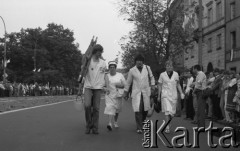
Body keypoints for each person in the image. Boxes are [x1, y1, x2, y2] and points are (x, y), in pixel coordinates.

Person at [123, 54, 155, 134]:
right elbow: (128, 82)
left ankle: (143, 123)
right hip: (136, 92)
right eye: (138, 61)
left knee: (145, 110)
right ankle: (139, 127)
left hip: (145, 91)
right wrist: (125, 92)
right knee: (138, 110)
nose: (139, 62)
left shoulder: (147, 68)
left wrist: (153, 86)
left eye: (141, 61)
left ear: (143, 62)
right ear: (135, 62)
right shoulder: (132, 70)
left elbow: (151, 77)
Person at [79, 44, 107, 135]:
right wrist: (84, 66)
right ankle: (88, 125)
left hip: (98, 88)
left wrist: (106, 86)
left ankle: (95, 127)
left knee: (96, 108)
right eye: (99, 52)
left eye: (101, 52)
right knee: (87, 105)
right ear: (95, 52)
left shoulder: (103, 63)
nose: (100, 54)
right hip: (88, 86)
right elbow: (83, 72)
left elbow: (104, 75)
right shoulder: (88, 61)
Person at [157, 60, 184, 133]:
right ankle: (167, 126)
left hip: (174, 95)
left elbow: (178, 84)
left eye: (171, 66)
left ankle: (169, 122)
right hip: (165, 95)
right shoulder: (162, 75)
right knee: (167, 111)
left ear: (173, 67)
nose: (169, 67)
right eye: (168, 65)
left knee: (172, 113)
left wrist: (181, 93)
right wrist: (159, 95)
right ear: (165, 67)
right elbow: (159, 85)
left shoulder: (176, 74)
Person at [104, 61, 126, 131]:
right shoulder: (106, 76)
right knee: (109, 107)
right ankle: (109, 123)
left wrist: (119, 85)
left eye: (113, 67)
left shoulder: (120, 75)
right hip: (109, 95)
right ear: (109, 68)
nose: (112, 68)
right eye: (110, 67)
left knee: (117, 110)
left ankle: (115, 122)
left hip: (118, 94)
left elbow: (125, 84)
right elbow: (103, 86)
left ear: (115, 68)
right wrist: (105, 89)